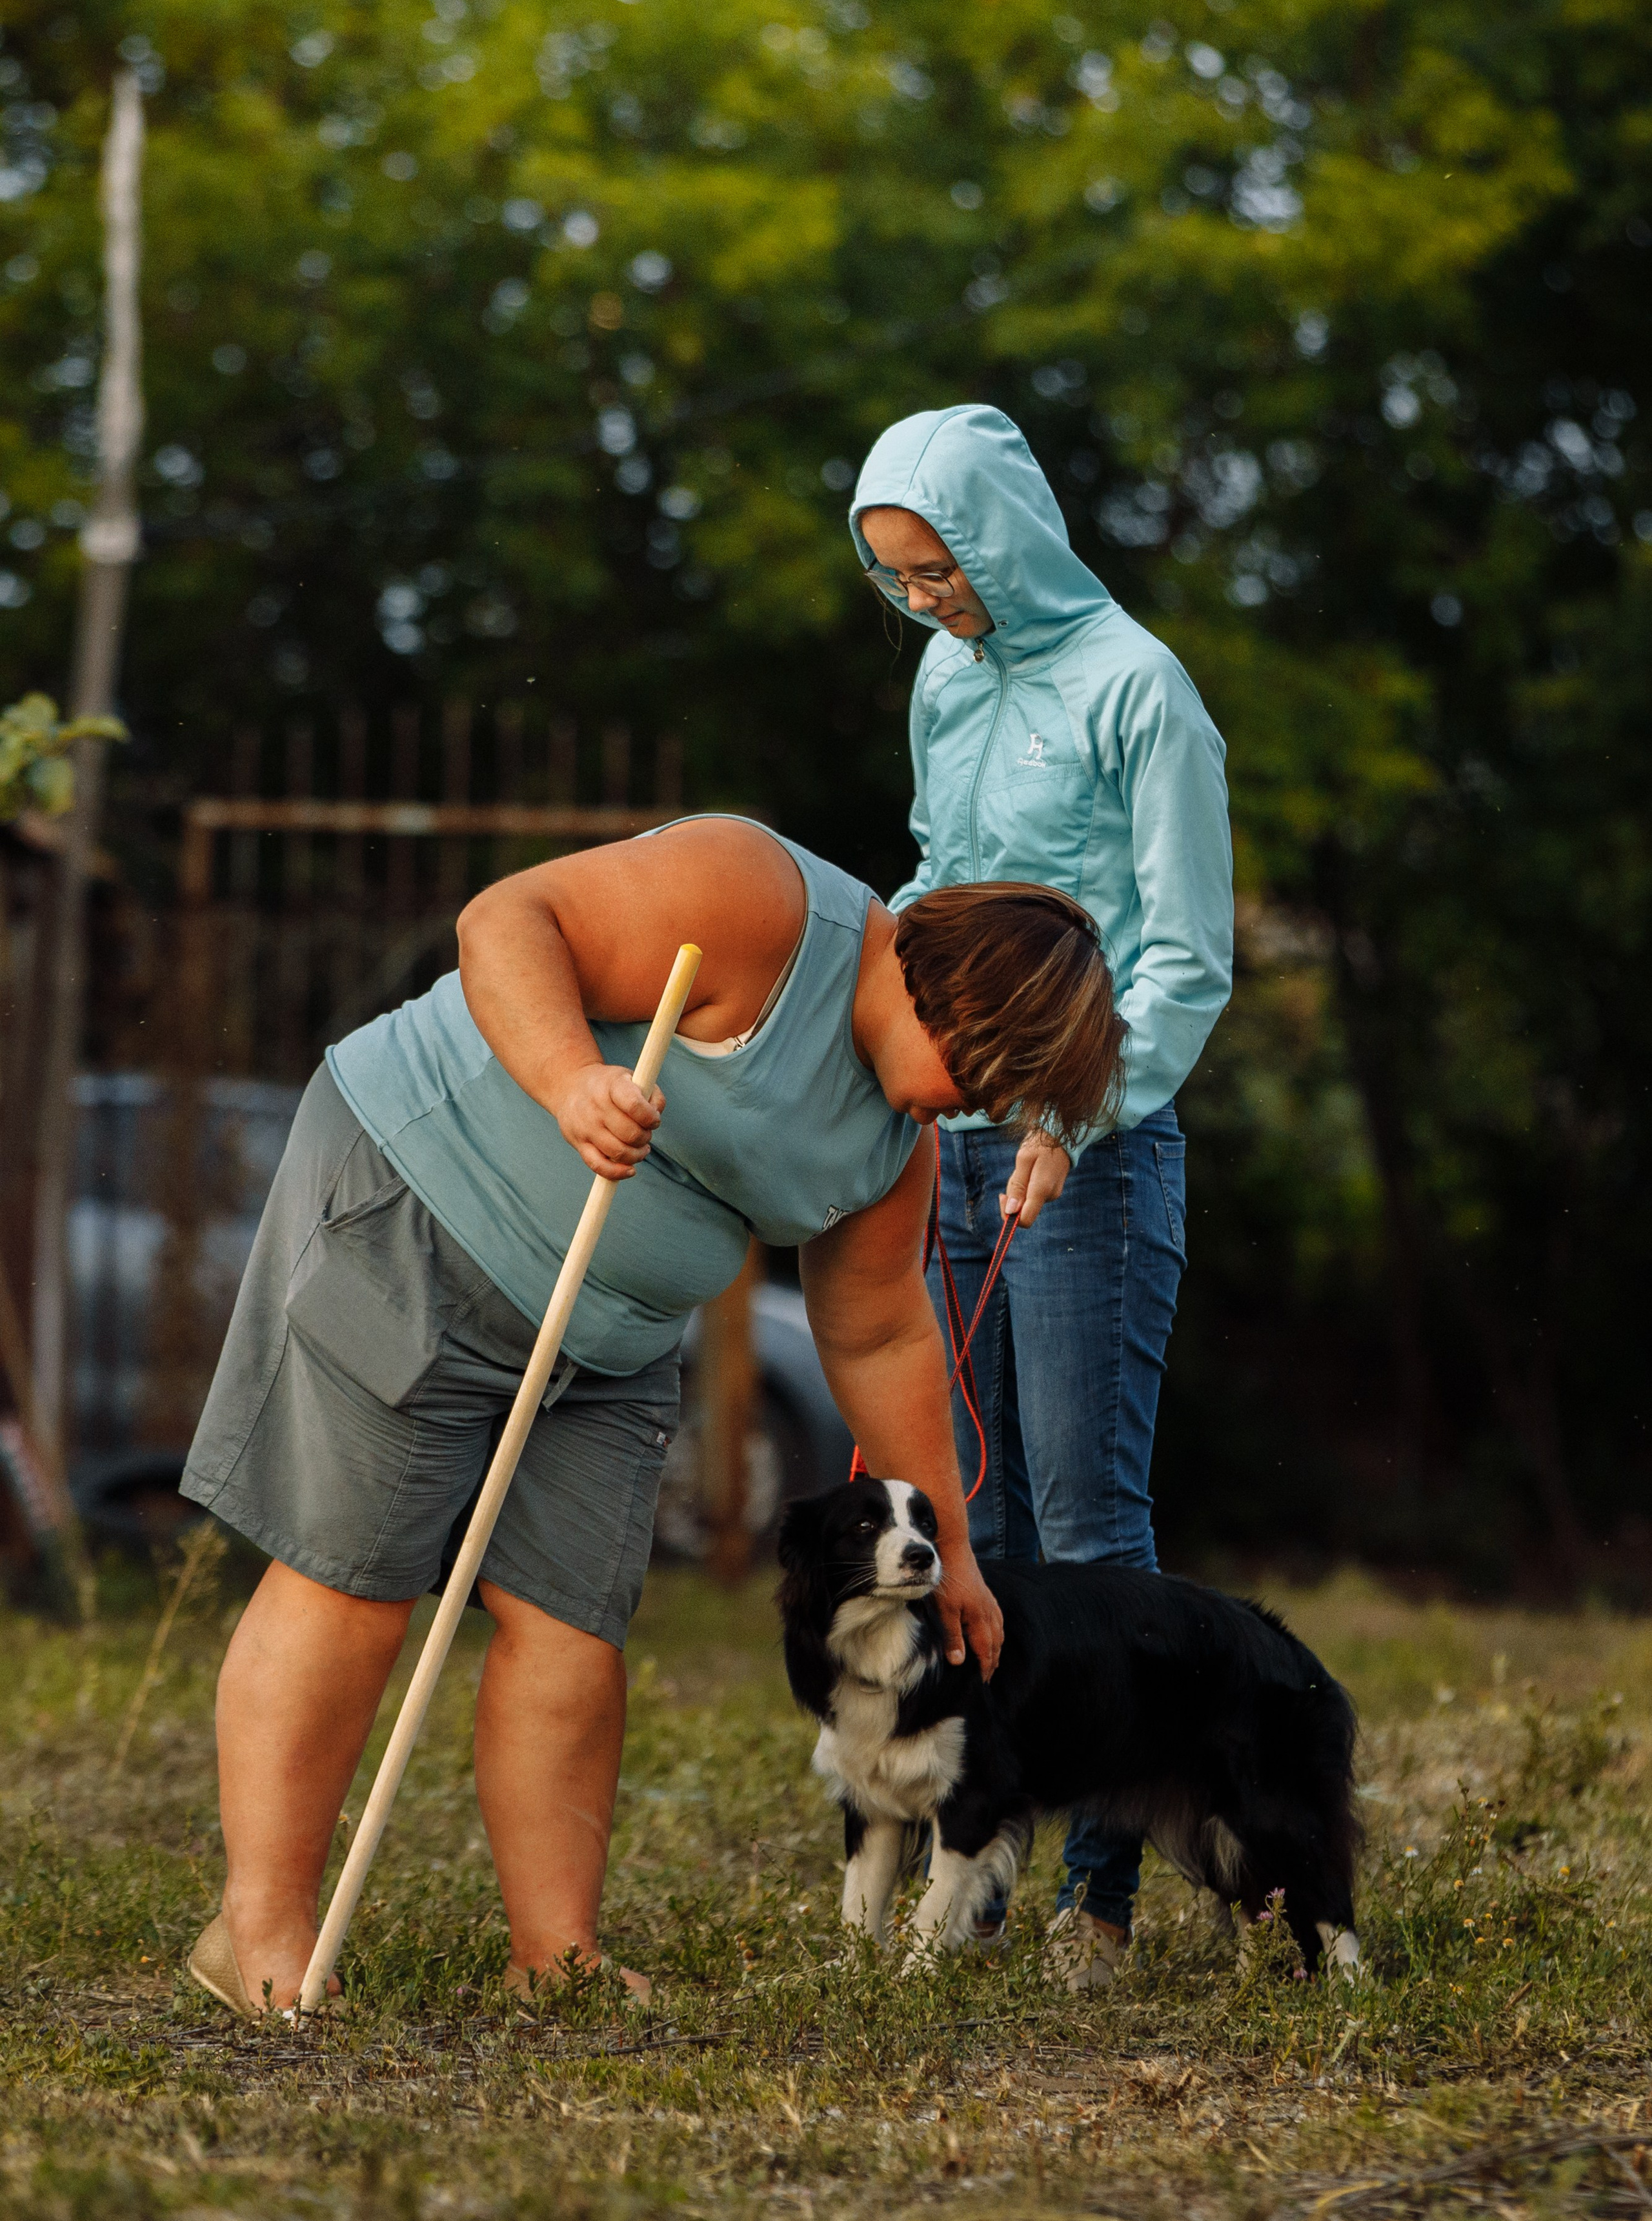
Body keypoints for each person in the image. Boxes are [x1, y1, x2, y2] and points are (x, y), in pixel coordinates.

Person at [179, 814, 1122, 2016]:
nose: (979, 1112)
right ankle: (255, 1930)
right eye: (985, 1081)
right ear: (951, 1003)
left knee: (574, 1622)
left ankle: (554, 1956)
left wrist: (960, 1557)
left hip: (611, 1333)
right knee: (354, 1579)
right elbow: (507, 922)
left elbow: (878, 1330)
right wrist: (572, 1078)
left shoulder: (898, 1149)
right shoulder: (759, 898)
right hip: (418, 1203)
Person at [851, 404, 1234, 1988]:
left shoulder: (1143, 693)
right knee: (963, 1519)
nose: (925, 601)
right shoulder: (945, 678)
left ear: (999, 534)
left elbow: (1184, 955)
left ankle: (1101, 1894)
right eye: (895, 579)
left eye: (938, 569)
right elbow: (935, 880)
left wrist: (1079, 1108)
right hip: (951, 1136)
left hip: (1089, 1145)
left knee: (1084, 1524)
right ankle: (975, 1861)